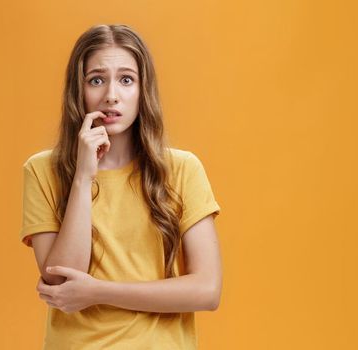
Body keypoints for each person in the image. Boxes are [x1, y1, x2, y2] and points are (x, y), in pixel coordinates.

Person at [20, 24, 223, 349]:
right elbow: (60, 281)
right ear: (79, 89)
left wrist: (98, 291)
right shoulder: (42, 170)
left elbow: (207, 290)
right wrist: (84, 176)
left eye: (126, 79)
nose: (111, 94)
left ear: (144, 90)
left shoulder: (183, 169)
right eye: (96, 80)